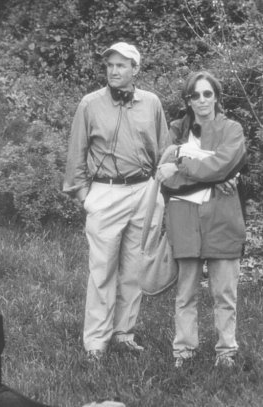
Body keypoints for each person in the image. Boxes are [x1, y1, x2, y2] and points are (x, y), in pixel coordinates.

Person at [63, 42, 169, 358]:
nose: (113, 70)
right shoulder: (89, 104)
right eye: (110, 65)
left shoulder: (151, 103)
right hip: (105, 191)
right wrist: (85, 196)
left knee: (136, 267)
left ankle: (124, 333)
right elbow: (75, 154)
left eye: (121, 65)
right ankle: (96, 342)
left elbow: (165, 150)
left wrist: (159, 188)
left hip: (144, 191)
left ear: (136, 69)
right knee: (102, 270)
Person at [157, 71, 246, 368]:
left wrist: (182, 162)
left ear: (217, 97)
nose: (202, 100)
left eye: (207, 93)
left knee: (224, 293)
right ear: (188, 100)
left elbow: (222, 165)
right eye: (195, 95)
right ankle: (183, 351)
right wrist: (211, 174)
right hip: (184, 219)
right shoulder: (174, 131)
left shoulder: (232, 129)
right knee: (184, 293)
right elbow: (165, 179)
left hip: (222, 219)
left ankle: (226, 352)